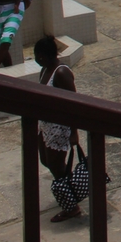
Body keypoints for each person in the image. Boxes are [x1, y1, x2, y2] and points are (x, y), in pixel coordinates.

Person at [33, 36, 83, 222]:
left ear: (43, 56)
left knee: (56, 164)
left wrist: (74, 132)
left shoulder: (61, 74)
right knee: (46, 160)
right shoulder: (45, 70)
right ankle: (71, 188)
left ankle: (71, 207)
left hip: (59, 128)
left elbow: (74, 104)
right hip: (45, 125)